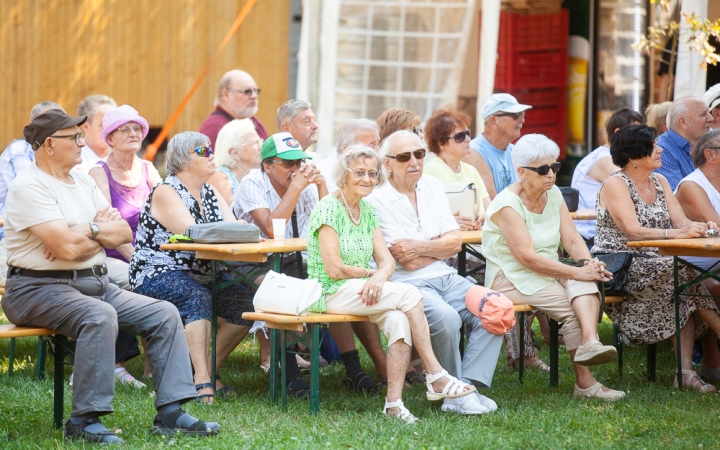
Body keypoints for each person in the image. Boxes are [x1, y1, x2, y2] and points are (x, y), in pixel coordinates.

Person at [2, 110, 219, 444]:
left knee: (164, 312)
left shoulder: (84, 180)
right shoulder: (29, 186)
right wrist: (91, 235)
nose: (81, 143)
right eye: (73, 137)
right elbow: (67, 249)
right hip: (38, 288)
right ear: (48, 145)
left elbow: (121, 234)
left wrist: (85, 229)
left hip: (95, 284)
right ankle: (84, 421)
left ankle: (171, 412)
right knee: (99, 315)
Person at [307, 144, 477, 423]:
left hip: (358, 288)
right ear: (343, 174)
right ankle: (435, 374)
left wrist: (378, 276)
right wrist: (369, 274)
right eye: (359, 172)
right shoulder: (328, 208)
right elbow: (334, 268)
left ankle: (394, 404)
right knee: (409, 293)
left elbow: (386, 262)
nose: (367, 179)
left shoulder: (367, 210)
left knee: (399, 320)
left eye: (372, 173)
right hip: (328, 291)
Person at [233, 133, 387, 392]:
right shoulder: (253, 183)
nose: (296, 169)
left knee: (337, 284)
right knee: (284, 291)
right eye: (287, 164)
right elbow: (272, 229)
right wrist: (296, 188)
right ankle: (291, 372)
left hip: (296, 259)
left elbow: (327, 220)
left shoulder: (306, 185)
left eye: (299, 163)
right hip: (254, 262)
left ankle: (353, 369)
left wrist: (320, 186)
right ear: (267, 166)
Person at [368, 130, 503, 415]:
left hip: (446, 277)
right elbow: (407, 263)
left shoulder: (431, 185)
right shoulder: (377, 200)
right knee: (446, 317)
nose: (414, 161)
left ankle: (466, 389)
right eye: (404, 156)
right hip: (408, 284)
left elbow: (455, 243)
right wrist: (437, 247)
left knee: (497, 308)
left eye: (419, 154)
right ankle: (455, 395)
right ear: (388, 163)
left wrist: (420, 247)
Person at [482, 133, 625, 401]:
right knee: (572, 307)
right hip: (511, 275)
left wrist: (588, 263)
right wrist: (576, 271)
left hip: (548, 268)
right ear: (522, 172)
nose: (551, 174)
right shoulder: (507, 204)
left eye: (555, 167)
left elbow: (571, 239)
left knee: (584, 281)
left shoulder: (554, 193)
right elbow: (527, 258)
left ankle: (591, 342)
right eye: (543, 169)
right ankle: (585, 385)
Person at [129, 131, 257, 403]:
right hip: (157, 272)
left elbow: (233, 228)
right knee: (196, 297)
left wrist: (235, 229)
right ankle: (199, 379)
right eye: (202, 151)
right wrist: (232, 229)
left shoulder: (210, 190)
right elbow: (194, 232)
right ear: (182, 160)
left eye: (210, 149)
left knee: (246, 301)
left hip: (203, 272)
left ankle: (209, 370)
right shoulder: (166, 190)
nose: (211, 155)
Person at [594, 124, 720, 393]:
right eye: (653, 146)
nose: (660, 148)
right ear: (633, 154)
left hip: (659, 264)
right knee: (681, 273)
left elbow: (681, 222)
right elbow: (632, 231)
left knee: (679, 281)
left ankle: (684, 373)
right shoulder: (616, 183)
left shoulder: (661, 182)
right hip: (621, 265)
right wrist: (678, 232)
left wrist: (700, 228)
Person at [423, 107, 548, 373]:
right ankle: (516, 354)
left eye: (467, 134)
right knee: (504, 276)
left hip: (475, 247)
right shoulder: (430, 172)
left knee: (516, 273)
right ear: (441, 143)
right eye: (459, 137)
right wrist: (451, 223)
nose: (468, 139)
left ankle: (522, 353)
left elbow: (491, 208)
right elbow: (427, 218)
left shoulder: (469, 170)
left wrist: (481, 218)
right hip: (445, 254)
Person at [88, 105, 162, 383]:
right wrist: (139, 259)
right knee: (142, 281)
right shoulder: (99, 173)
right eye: (125, 129)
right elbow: (109, 228)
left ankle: (153, 365)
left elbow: (165, 209)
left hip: (147, 252)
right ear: (109, 138)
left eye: (137, 129)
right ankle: (118, 364)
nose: (133, 134)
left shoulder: (148, 169)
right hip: (108, 255)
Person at [673, 128, 720, 382]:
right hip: (690, 263)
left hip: (715, 262)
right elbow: (716, 223)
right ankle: (712, 362)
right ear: (710, 155)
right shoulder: (692, 185)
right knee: (714, 286)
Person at [0, 101, 62, 286]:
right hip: (12, 237)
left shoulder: (62, 155)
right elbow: (32, 200)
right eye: (47, 123)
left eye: (59, 123)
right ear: (30, 127)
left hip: (50, 232)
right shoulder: (19, 151)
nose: (53, 129)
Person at [571, 107, 643, 241]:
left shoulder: (617, 157)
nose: (641, 138)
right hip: (593, 237)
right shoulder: (603, 160)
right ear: (618, 132)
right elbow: (636, 187)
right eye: (636, 133)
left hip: (612, 234)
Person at [465, 93, 532, 199]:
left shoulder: (514, 151)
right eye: (515, 115)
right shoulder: (473, 153)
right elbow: (492, 205)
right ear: (493, 121)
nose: (522, 120)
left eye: (522, 114)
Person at [655, 96, 714, 190]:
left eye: (709, 113)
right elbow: (676, 197)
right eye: (703, 114)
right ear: (683, 123)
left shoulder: (709, 145)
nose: (711, 118)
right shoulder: (662, 150)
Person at [199, 69, 268, 147]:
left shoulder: (255, 123)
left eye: (256, 91)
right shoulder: (214, 127)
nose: (254, 96)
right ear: (226, 95)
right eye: (247, 91)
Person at [207, 118, 262, 205]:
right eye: (255, 143)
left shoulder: (259, 174)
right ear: (235, 153)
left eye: (260, 141)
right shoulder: (220, 177)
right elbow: (229, 216)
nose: (261, 146)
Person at [317, 119, 381, 193]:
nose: (378, 150)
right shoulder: (325, 174)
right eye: (371, 145)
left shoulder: (376, 167)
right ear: (347, 149)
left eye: (378, 143)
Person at [76, 95, 117, 172]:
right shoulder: (75, 156)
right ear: (85, 127)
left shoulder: (122, 152)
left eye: (113, 124)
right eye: (103, 125)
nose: (110, 130)